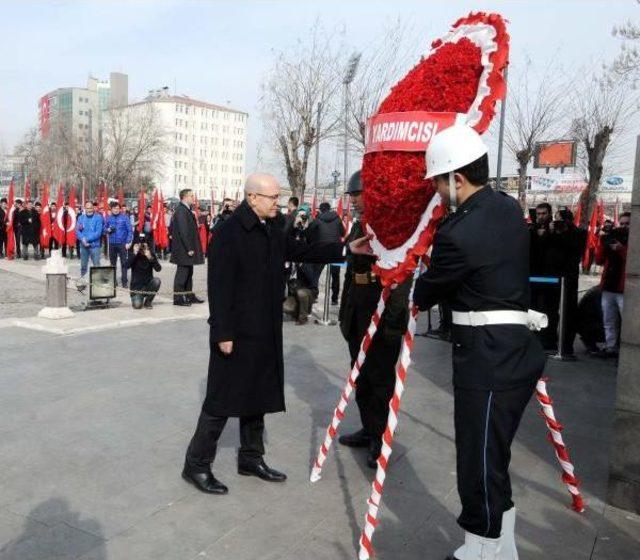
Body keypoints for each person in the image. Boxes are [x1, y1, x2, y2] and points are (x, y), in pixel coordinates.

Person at [182, 172, 372, 495]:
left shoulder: (272, 228)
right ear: (252, 198)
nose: (277, 202)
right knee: (221, 398)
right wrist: (222, 332)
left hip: (265, 328)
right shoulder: (229, 233)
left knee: (257, 393)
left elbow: (304, 250)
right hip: (236, 331)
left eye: (278, 198)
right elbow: (220, 287)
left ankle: (251, 457)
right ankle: (197, 464)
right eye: (272, 197)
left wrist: (346, 250)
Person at [412, 125, 546, 560]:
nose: (436, 189)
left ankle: (483, 548)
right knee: (494, 454)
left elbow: (423, 293)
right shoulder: (506, 209)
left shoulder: (459, 231)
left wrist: (405, 275)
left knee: (479, 458)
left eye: (438, 180)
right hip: (512, 352)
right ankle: (502, 545)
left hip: (488, 359)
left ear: (456, 178)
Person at [337, 170, 412, 468]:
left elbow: (400, 276)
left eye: (357, 194)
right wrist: (345, 312)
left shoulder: (392, 226)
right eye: (352, 195)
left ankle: (380, 439)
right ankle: (368, 428)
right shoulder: (359, 224)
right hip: (358, 308)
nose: (353, 200)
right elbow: (351, 272)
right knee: (360, 374)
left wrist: (392, 320)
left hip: (381, 312)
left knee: (380, 378)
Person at [529, 202, 564, 353]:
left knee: (549, 310)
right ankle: (533, 340)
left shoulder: (556, 229)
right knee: (534, 309)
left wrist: (549, 235)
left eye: (544, 214)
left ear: (549, 214)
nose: (541, 217)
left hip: (550, 278)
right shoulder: (532, 229)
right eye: (538, 214)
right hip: (533, 277)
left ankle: (549, 341)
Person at [595, 211, 630, 358]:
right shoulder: (613, 237)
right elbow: (599, 260)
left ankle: (627, 350)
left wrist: (621, 249)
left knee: (626, 321)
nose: (624, 227)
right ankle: (611, 347)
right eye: (621, 223)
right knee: (608, 320)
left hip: (624, 289)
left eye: (627, 224)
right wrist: (604, 243)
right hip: (609, 287)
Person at [306, 201, 345, 305]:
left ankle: (314, 295)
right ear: (330, 208)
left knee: (316, 273)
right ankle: (335, 299)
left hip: (321, 249)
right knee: (335, 275)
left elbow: (309, 232)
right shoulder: (337, 218)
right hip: (336, 250)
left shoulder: (318, 219)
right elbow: (343, 232)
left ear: (321, 210)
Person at [171, 189, 205, 306]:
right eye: (191, 196)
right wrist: (189, 248)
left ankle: (189, 295)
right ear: (185, 197)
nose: (193, 198)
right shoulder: (181, 210)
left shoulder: (185, 209)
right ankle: (179, 299)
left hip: (186, 249)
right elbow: (183, 231)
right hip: (183, 249)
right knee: (182, 274)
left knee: (189, 273)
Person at [126, 233, 162, 309]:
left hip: (148, 285)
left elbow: (158, 269)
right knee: (137, 306)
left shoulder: (150, 254)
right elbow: (126, 266)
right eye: (140, 245)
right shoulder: (134, 254)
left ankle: (148, 301)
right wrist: (134, 254)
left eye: (144, 245)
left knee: (157, 281)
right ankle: (139, 298)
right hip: (136, 288)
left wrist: (150, 257)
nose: (142, 247)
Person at [104, 202, 133, 288]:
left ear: (120, 209)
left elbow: (130, 231)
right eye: (114, 208)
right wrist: (108, 230)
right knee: (113, 264)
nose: (116, 210)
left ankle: (124, 281)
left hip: (122, 244)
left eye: (117, 208)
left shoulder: (125, 218)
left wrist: (128, 242)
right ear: (111, 209)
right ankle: (114, 281)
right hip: (112, 244)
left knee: (124, 263)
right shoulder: (108, 218)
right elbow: (104, 229)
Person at [76, 201, 104, 278]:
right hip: (83, 245)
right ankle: (83, 281)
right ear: (85, 208)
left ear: (93, 208)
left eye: (91, 208)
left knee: (96, 265)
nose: (89, 210)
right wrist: (82, 239)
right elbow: (77, 231)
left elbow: (98, 233)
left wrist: (86, 239)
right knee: (83, 265)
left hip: (95, 246)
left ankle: (97, 283)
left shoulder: (98, 218)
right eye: (87, 208)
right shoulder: (81, 218)